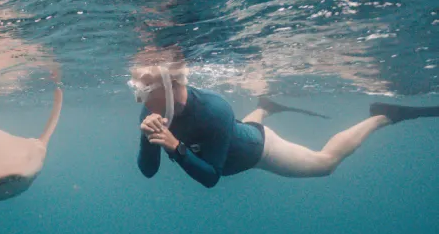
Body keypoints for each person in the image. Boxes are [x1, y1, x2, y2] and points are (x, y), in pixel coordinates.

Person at [131, 63, 439, 188]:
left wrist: (175, 147)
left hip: (259, 149)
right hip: (234, 136)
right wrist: (148, 138)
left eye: (144, 90)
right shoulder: (154, 107)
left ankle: (383, 115)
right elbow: (149, 171)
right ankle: (265, 107)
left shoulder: (213, 109)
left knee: (325, 163)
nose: (140, 99)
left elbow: (212, 176)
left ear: (169, 84)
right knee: (237, 129)